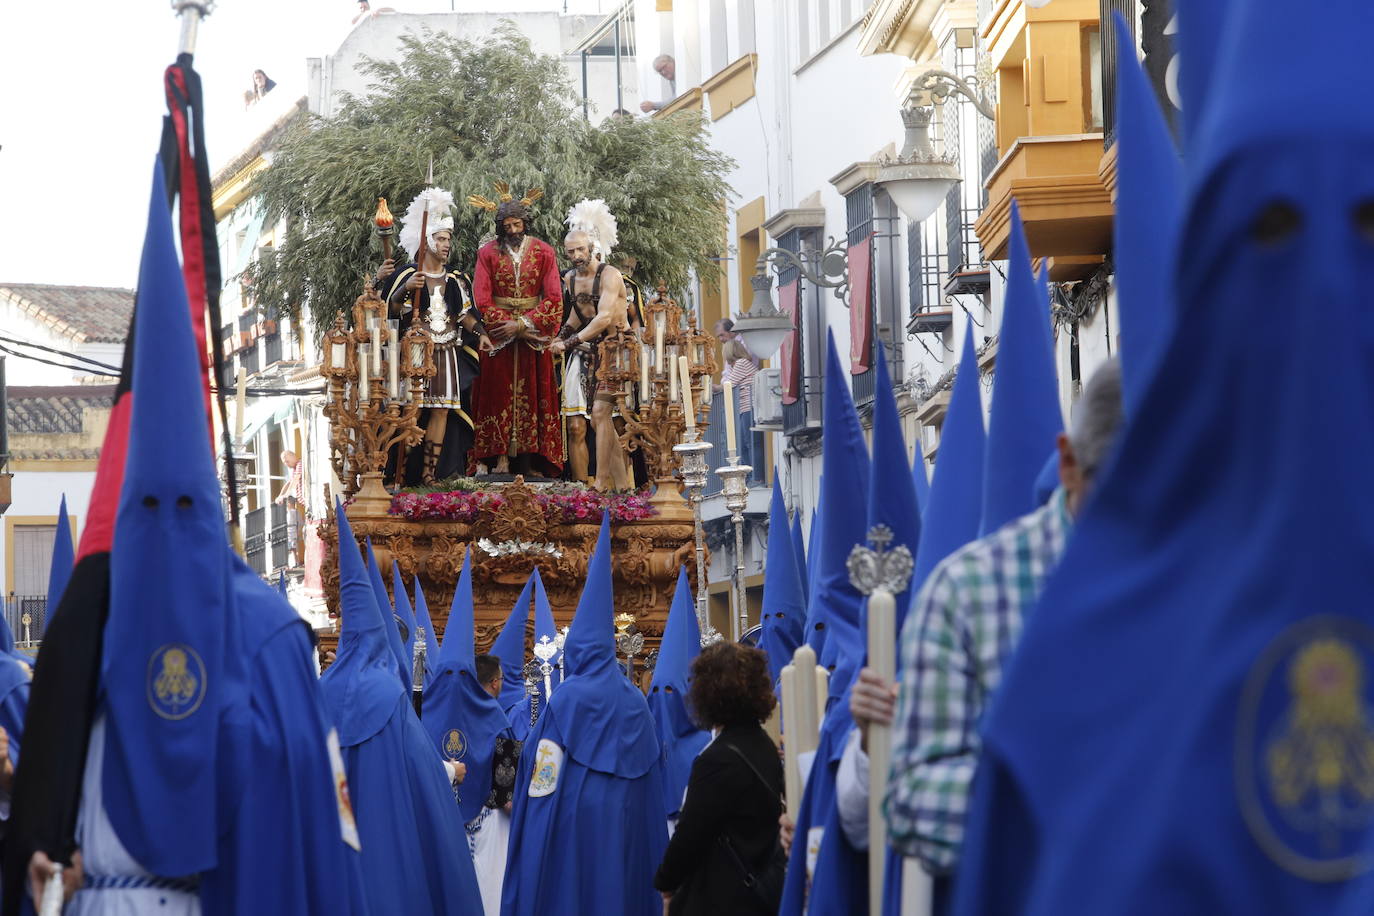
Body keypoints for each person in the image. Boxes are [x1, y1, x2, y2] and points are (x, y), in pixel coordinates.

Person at [11, 165, 366, 915]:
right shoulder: (92, 636)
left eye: (185, 505)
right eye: (148, 506)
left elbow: (303, 821)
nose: (168, 522)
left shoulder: (270, 635)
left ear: (214, 512)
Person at [847, 359, 1122, 894]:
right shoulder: (966, 594)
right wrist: (1076, 795)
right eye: (1119, 491)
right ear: (1068, 465)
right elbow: (912, 796)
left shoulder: (1225, 580)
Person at [502, 515, 667, 915]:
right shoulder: (637, 702)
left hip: (576, 836)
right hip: (628, 829)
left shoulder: (565, 702)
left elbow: (541, 781)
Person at [322, 506, 483, 915]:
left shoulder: (317, 692)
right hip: (386, 850)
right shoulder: (388, 695)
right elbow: (423, 774)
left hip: (325, 850)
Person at [654, 642, 784, 915]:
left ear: (707, 694)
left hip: (720, 896)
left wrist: (665, 882)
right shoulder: (765, 747)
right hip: (759, 890)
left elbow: (690, 833)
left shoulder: (718, 758)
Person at [379, 186, 494, 484]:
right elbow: (388, 310)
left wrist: (480, 332)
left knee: (442, 410)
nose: (446, 245)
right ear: (426, 241)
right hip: (417, 350)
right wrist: (405, 290)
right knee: (412, 410)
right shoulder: (407, 275)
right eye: (441, 239)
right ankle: (401, 473)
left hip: (447, 350)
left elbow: (465, 314)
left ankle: (430, 474)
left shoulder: (456, 280)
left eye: (448, 239)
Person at [467, 184, 565, 479]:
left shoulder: (544, 251)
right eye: (507, 225)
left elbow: (554, 297)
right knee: (496, 396)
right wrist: (505, 325)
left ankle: (531, 460)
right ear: (500, 227)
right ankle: (495, 457)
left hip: (533, 337)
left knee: (536, 396)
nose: (513, 229)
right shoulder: (487, 253)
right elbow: (481, 298)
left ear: (526, 223)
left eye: (517, 224)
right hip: (499, 336)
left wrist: (523, 325)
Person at [551, 200, 633, 491]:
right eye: (570, 251)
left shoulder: (610, 275)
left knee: (600, 415)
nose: (575, 256)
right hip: (587, 353)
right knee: (599, 422)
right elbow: (578, 312)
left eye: (580, 250)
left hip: (614, 350)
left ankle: (600, 482)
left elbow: (603, 318)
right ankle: (623, 487)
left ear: (592, 247)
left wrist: (569, 342)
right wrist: (561, 334)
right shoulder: (570, 279)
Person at [716, 319, 761, 483]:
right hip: (744, 408)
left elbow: (729, 384)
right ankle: (750, 476)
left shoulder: (742, 363)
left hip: (749, 407)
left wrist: (714, 388)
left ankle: (755, 477)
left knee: (750, 443)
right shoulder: (740, 364)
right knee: (745, 443)